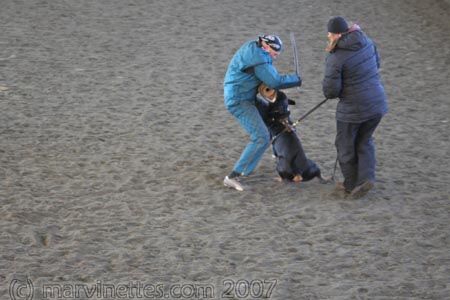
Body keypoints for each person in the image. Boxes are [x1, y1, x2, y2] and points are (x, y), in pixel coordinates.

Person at [223, 35, 301, 191]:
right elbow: (275, 81)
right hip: (239, 101)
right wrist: (296, 79)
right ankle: (233, 176)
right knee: (261, 137)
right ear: (265, 46)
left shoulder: (254, 47)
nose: (274, 56)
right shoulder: (258, 57)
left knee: (275, 120)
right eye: (274, 53)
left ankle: (279, 158)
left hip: (247, 96)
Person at [322, 16, 388, 199]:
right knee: (364, 141)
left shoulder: (335, 57)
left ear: (336, 34)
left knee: (344, 145)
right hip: (377, 103)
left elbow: (330, 91)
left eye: (329, 32)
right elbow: (377, 65)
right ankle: (366, 178)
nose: (327, 35)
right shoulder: (366, 41)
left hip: (353, 109)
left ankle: (351, 184)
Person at [255, 84, 329, 184]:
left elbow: (278, 113)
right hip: (282, 129)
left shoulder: (277, 103)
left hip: (281, 130)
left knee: (285, 151)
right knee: (291, 149)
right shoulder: (280, 99)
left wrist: (284, 121)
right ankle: (301, 174)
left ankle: (293, 175)